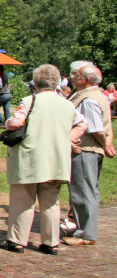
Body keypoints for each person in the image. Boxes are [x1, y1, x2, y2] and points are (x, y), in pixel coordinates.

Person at [0, 64, 87, 255]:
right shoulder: (67, 104)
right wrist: (69, 138)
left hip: (31, 157)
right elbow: (83, 123)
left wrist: (6, 123)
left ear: (36, 82)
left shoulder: (30, 101)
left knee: (23, 200)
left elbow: (15, 123)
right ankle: (50, 242)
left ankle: (17, 240)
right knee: (51, 203)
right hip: (57, 157)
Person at [63, 64, 115, 246]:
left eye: (77, 75)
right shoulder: (91, 95)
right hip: (87, 150)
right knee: (82, 190)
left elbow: (96, 129)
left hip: (86, 151)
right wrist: (107, 143)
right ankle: (81, 227)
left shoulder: (89, 99)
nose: (73, 77)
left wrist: (104, 144)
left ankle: (86, 234)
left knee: (84, 192)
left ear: (86, 80)